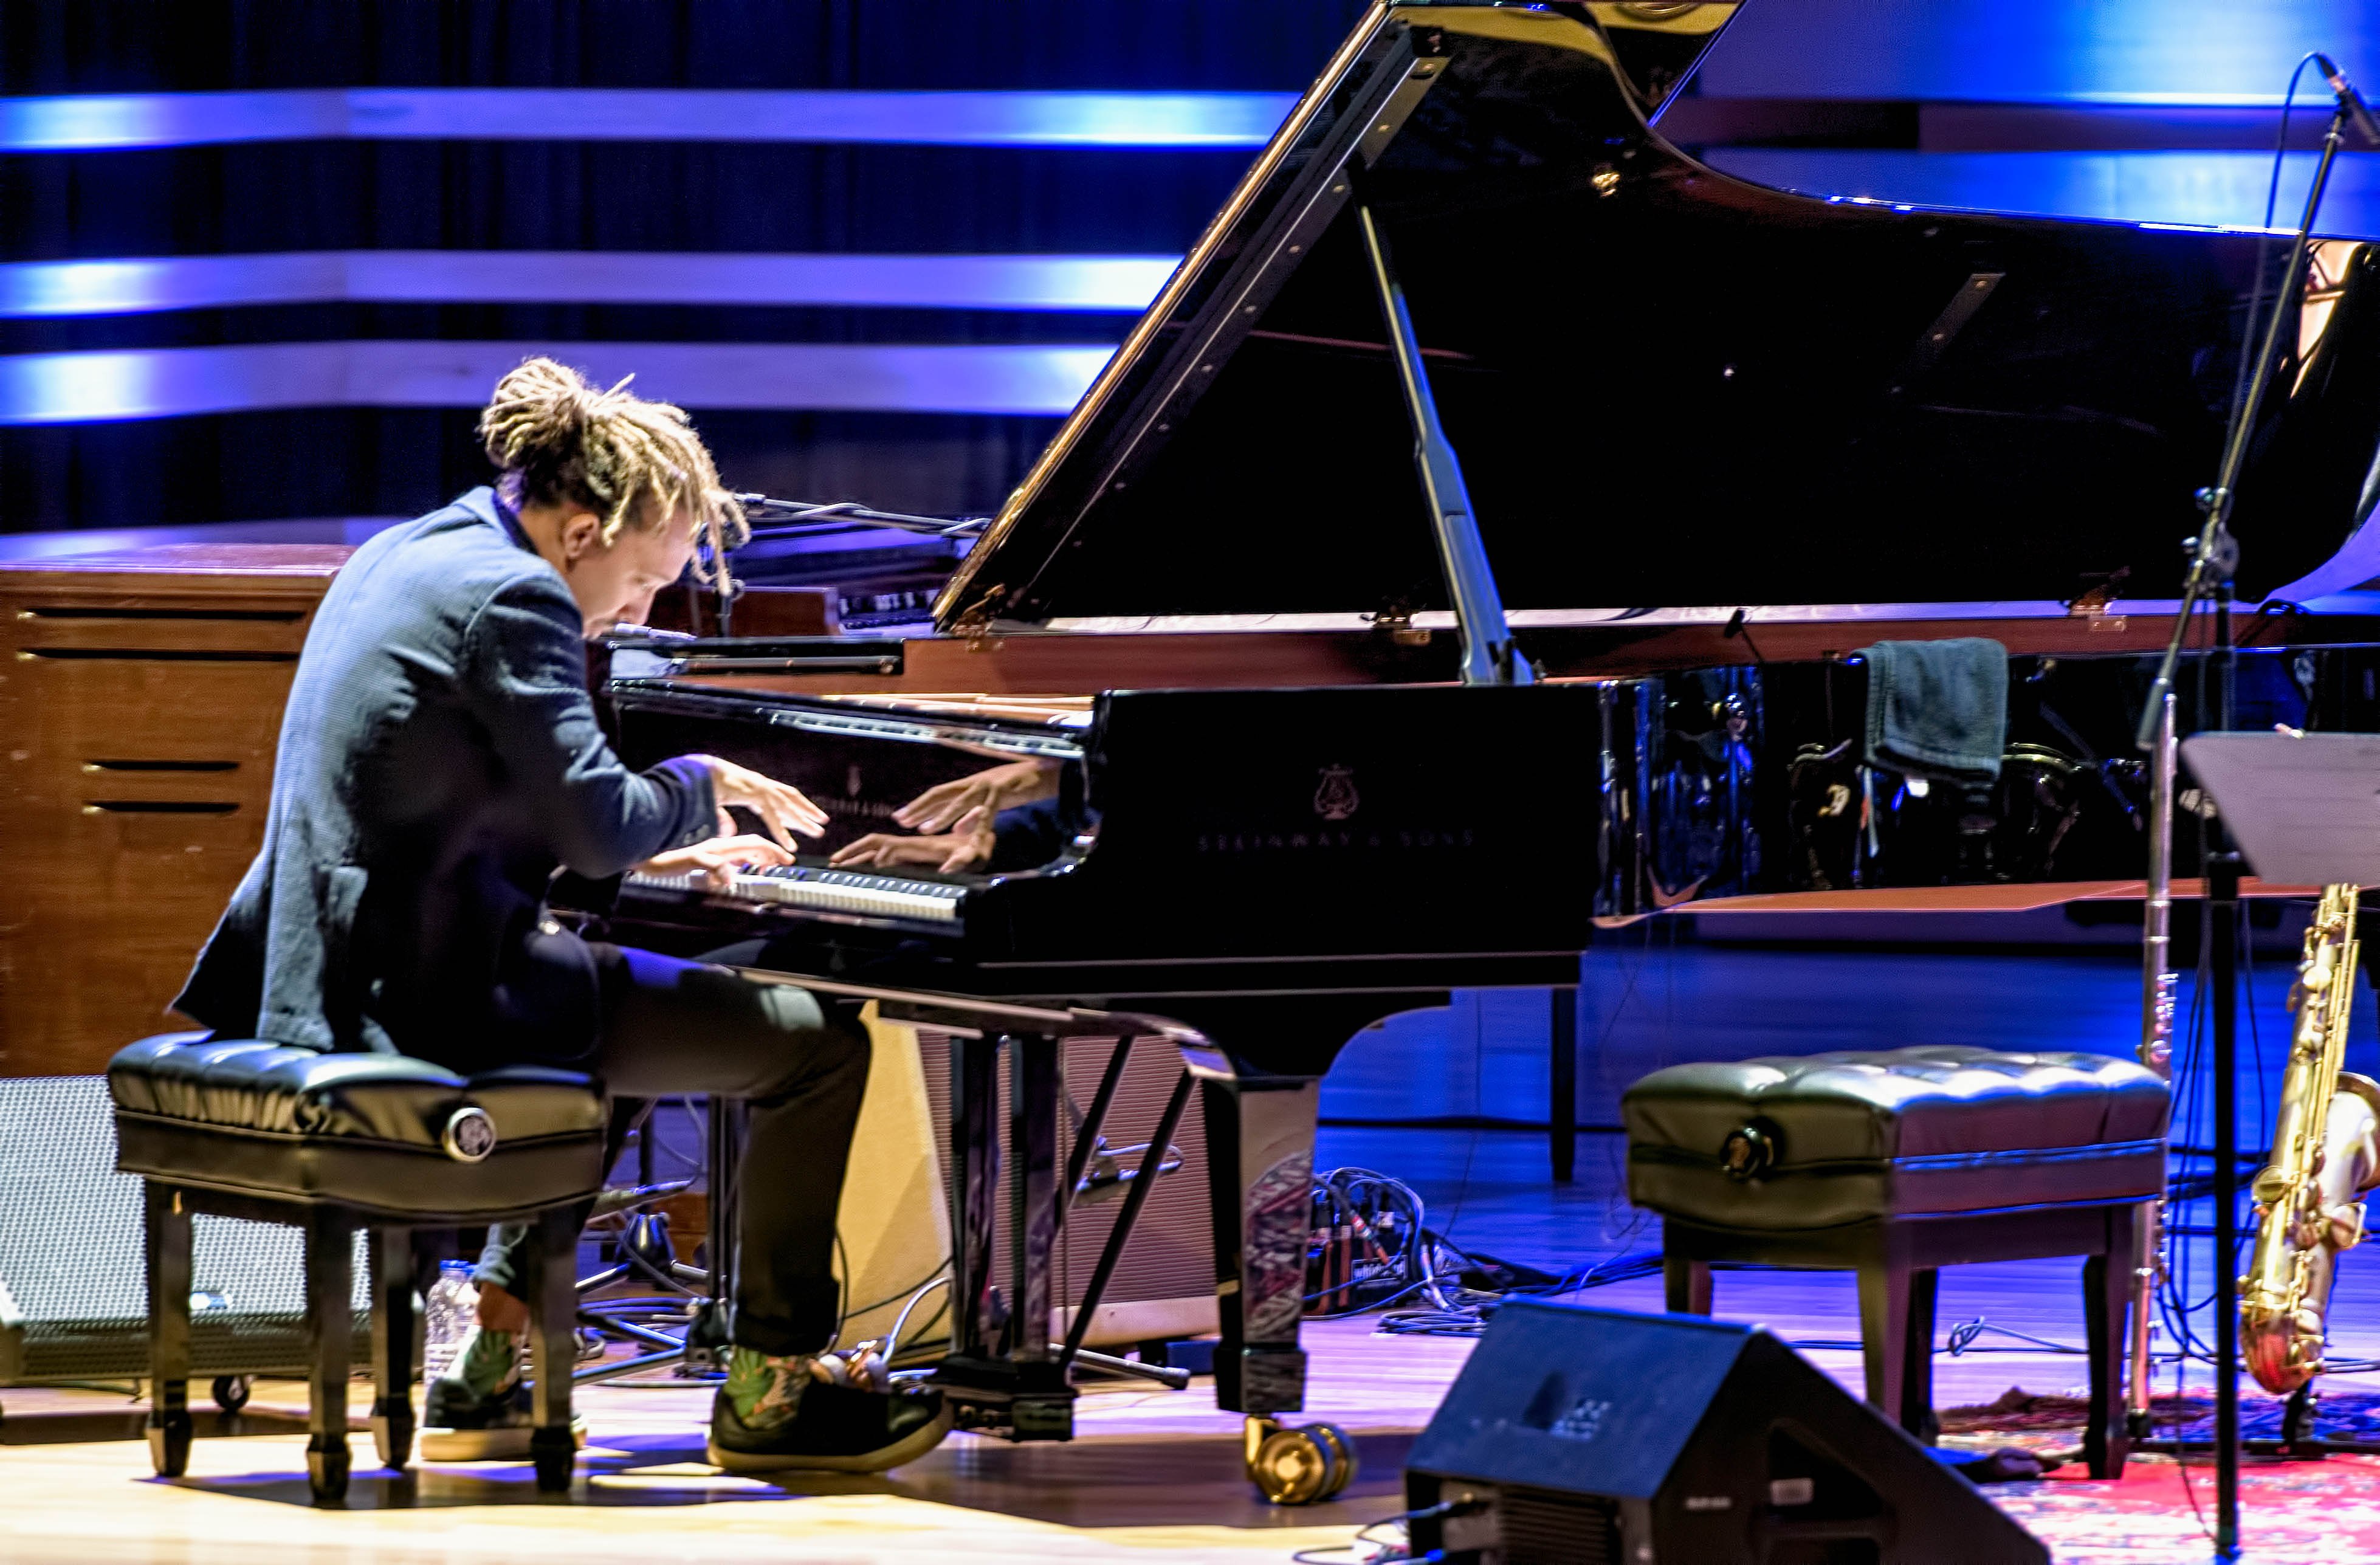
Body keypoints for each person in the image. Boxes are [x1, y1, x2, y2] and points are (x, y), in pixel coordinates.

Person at [171, 357, 948, 1475]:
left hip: (324, 968)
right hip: (424, 999)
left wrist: (655, 839)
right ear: (580, 534)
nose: (637, 615)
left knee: (612, 1013)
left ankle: (487, 1363)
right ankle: (775, 1390)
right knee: (815, 1046)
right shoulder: (520, 594)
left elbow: (471, 796)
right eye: (640, 585)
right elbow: (592, 828)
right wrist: (691, 779)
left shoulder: (414, 549)